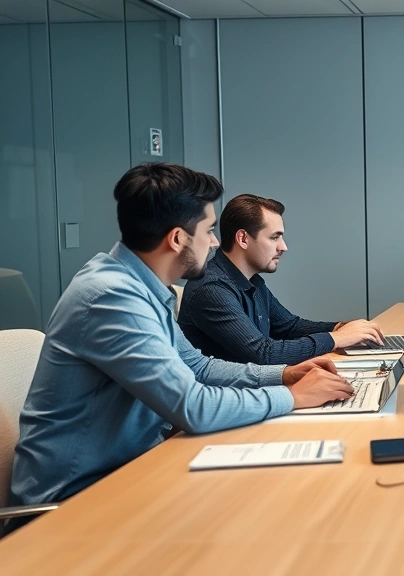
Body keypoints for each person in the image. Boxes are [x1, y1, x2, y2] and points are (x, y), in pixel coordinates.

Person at [7, 164, 354, 532]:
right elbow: (193, 407)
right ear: (177, 239)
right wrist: (293, 397)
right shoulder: (110, 299)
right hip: (74, 505)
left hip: (133, 474)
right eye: (207, 230)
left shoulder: (141, 289)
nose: (215, 242)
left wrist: (284, 374)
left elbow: (199, 368)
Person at [178, 194, 383, 365]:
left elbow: (289, 327)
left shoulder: (251, 280)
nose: (283, 247)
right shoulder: (211, 288)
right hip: (229, 400)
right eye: (274, 237)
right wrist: (336, 338)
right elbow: (263, 354)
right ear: (243, 239)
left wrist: (341, 328)